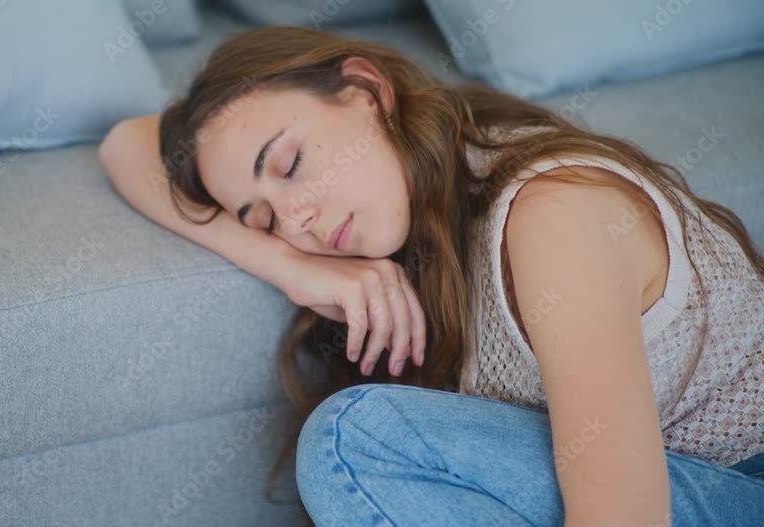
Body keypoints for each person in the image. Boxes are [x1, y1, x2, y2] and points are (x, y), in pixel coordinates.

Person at [98, 26, 763, 526]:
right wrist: (290, 267)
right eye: (262, 217)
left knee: (351, 440)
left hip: (737, 484)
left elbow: (624, 513)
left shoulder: (551, 216)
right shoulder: (424, 210)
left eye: (293, 161)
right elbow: (126, 143)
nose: (295, 218)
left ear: (367, 92)